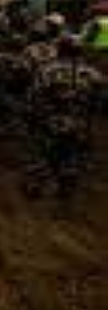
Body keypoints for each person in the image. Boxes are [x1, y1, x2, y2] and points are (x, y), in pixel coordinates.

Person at [27, 36, 102, 199]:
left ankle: (36, 187)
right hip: (79, 122)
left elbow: (35, 96)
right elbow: (99, 101)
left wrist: (35, 116)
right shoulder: (93, 74)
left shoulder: (47, 70)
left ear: (60, 49)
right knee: (71, 156)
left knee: (43, 154)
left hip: (51, 120)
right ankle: (66, 190)